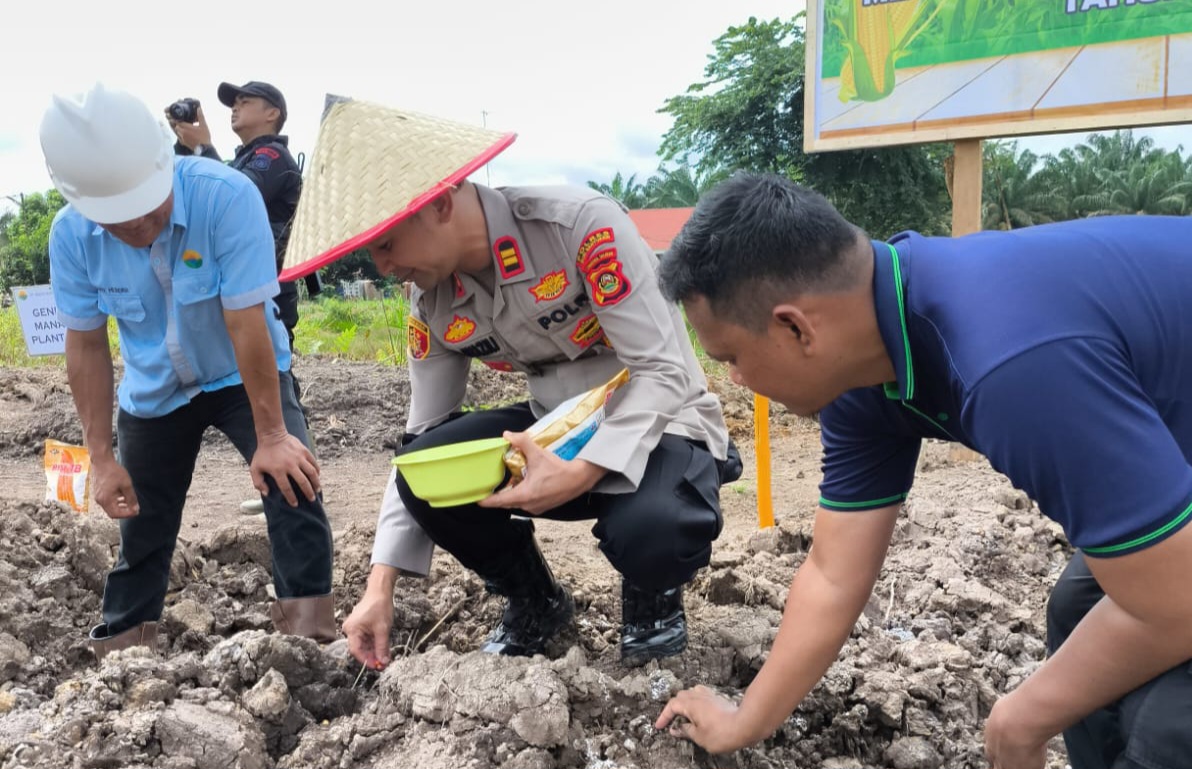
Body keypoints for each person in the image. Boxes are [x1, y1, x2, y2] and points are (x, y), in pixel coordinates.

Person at [653, 172, 1192, 769]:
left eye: (730, 358)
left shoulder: (1008, 362)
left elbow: (1176, 604)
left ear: (795, 327)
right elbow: (834, 573)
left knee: (1169, 728)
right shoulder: (867, 366)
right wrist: (744, 719)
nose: (734, 380)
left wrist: (1018, 724)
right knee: (1082, 613)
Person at [275, 98, 740, 669]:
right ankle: (535, 602)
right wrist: (380, 587)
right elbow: (419, 443)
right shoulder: (433, 302)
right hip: (555, 433)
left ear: (440, 201)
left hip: (662, 426)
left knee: (654, 526)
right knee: (425, 466)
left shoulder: (578, 228)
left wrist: (585, 469)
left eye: (386, 243)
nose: (382, 267)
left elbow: (663, 371)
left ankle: (653, 597)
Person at [40, 82, 336, 661]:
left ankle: (311, 649)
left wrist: (273, 436)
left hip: (240, 371)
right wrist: (100, 458)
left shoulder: (226, 196)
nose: (139, 225)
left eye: (148, 208)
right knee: (141, 524)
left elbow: (247, 319)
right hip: (154, 390)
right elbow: (86, 347)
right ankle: (123, 658)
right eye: (119, 221)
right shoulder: (71, 236)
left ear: (161, 166)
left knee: (293, 488)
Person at [169, 81, 316, 515]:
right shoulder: (244, 159)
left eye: (245, 101)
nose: (235, 107)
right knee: (257, 384)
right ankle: (284, 473)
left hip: (267, 292)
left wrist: (204, 151)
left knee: (274, 382)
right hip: (236, 293)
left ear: (273, 113)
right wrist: (185, 149)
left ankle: (297, 476)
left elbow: (235, 196)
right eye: (233, 103)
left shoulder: (274, 159)